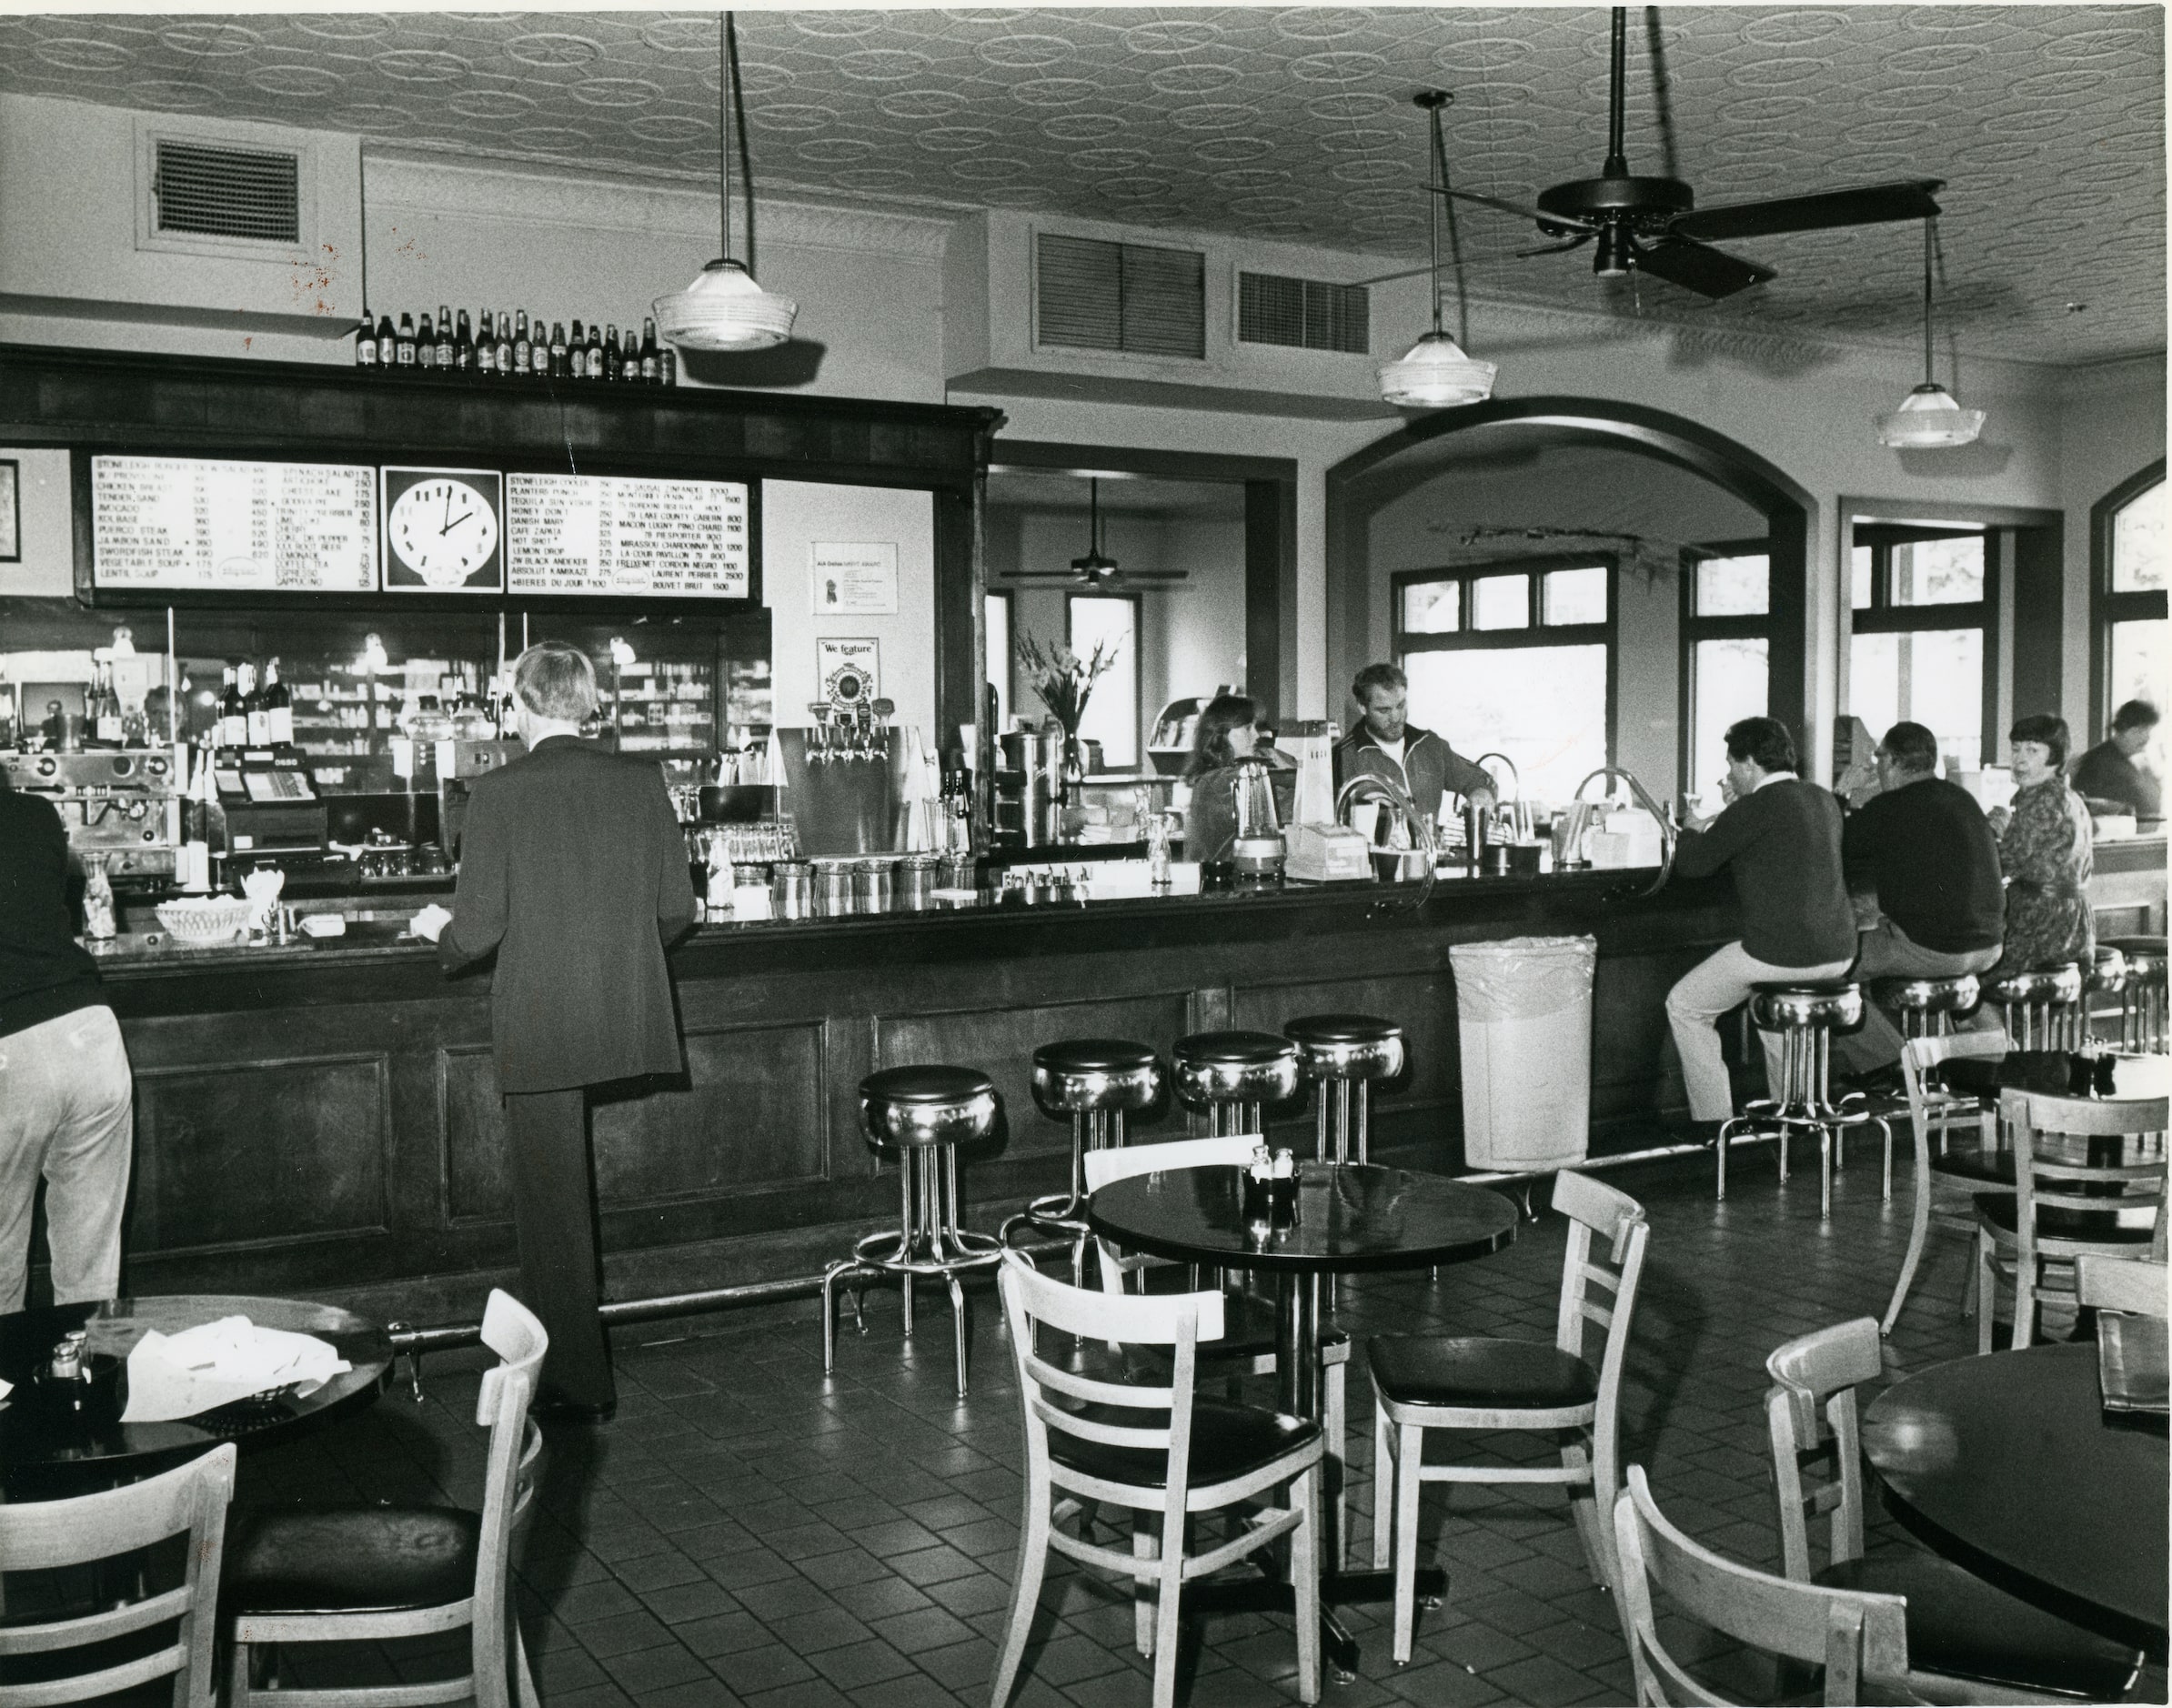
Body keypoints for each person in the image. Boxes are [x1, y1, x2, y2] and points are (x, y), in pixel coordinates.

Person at [410, 642, 696, 1419]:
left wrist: (437, 928)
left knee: (550, 1212)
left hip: (540, 1019)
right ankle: (571, 1378)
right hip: (622, 1007)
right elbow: (678, 909)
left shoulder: (496, 792)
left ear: (519, 704)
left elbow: (477, 931)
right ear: (589, 703)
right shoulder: (641, 781)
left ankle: (569, 1390)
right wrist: (615, 949)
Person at [1664, 718, 1856, 1131]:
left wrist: (1691, 831)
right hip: (1840, 953)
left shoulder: (1755, 807)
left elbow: (1694, 866)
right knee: (1768, 1007)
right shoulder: (1823, 799)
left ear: (1750, 764)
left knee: (1685, 1006)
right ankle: (1792, 1116)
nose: (1729, 773)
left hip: (1780, 954)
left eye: (1732, 764)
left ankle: (1714, 1122)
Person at [0, 767, 134, 1311]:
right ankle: (89, 1390)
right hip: (88, 1035)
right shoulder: (35, 813)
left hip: (10, 1052)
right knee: (90, 1273)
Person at [1831, 722, 2004, 1074]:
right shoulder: (1962, 799)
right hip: (1990, 946)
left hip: (1934, 950)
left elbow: (1830, 845)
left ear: (1893, 761)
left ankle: (1896, 1067)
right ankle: (1993, 1054)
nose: (1878, 766)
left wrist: (1841, 793)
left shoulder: (1890, 807)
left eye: (1880, 758)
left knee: (1824, 969)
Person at [1984, 713, 2095, 981]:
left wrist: (1989, 833)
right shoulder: (2068, 796)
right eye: (2016, 748)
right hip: (2075, 926)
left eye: (2032, 750)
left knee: (1971, 975)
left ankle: (1999, 1025)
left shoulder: (2041, 801)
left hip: (2041, 926)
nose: (2020, 759)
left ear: (2054, 757)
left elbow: (1999, 865)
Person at [1333, 663, 1496, 824]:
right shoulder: (1343, 756)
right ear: (1362, 707)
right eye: (1384, 710)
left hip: (1430, 849)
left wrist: (1481, 793)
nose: (1396, 718)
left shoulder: (1430, 746)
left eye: (1401, 706)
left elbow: (1480, 779)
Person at [1183, 693, 1262, 865]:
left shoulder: (1213, 776)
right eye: (1248, 728)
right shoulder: (1221, 781)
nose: (1256, 735)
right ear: (1223, 733)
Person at [2072, 698, 2161, 819]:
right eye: (2140, 731)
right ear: (2122, 729)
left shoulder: (2136, 761)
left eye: (2148, 731)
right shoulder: (2098, 761)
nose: (2146, 738)